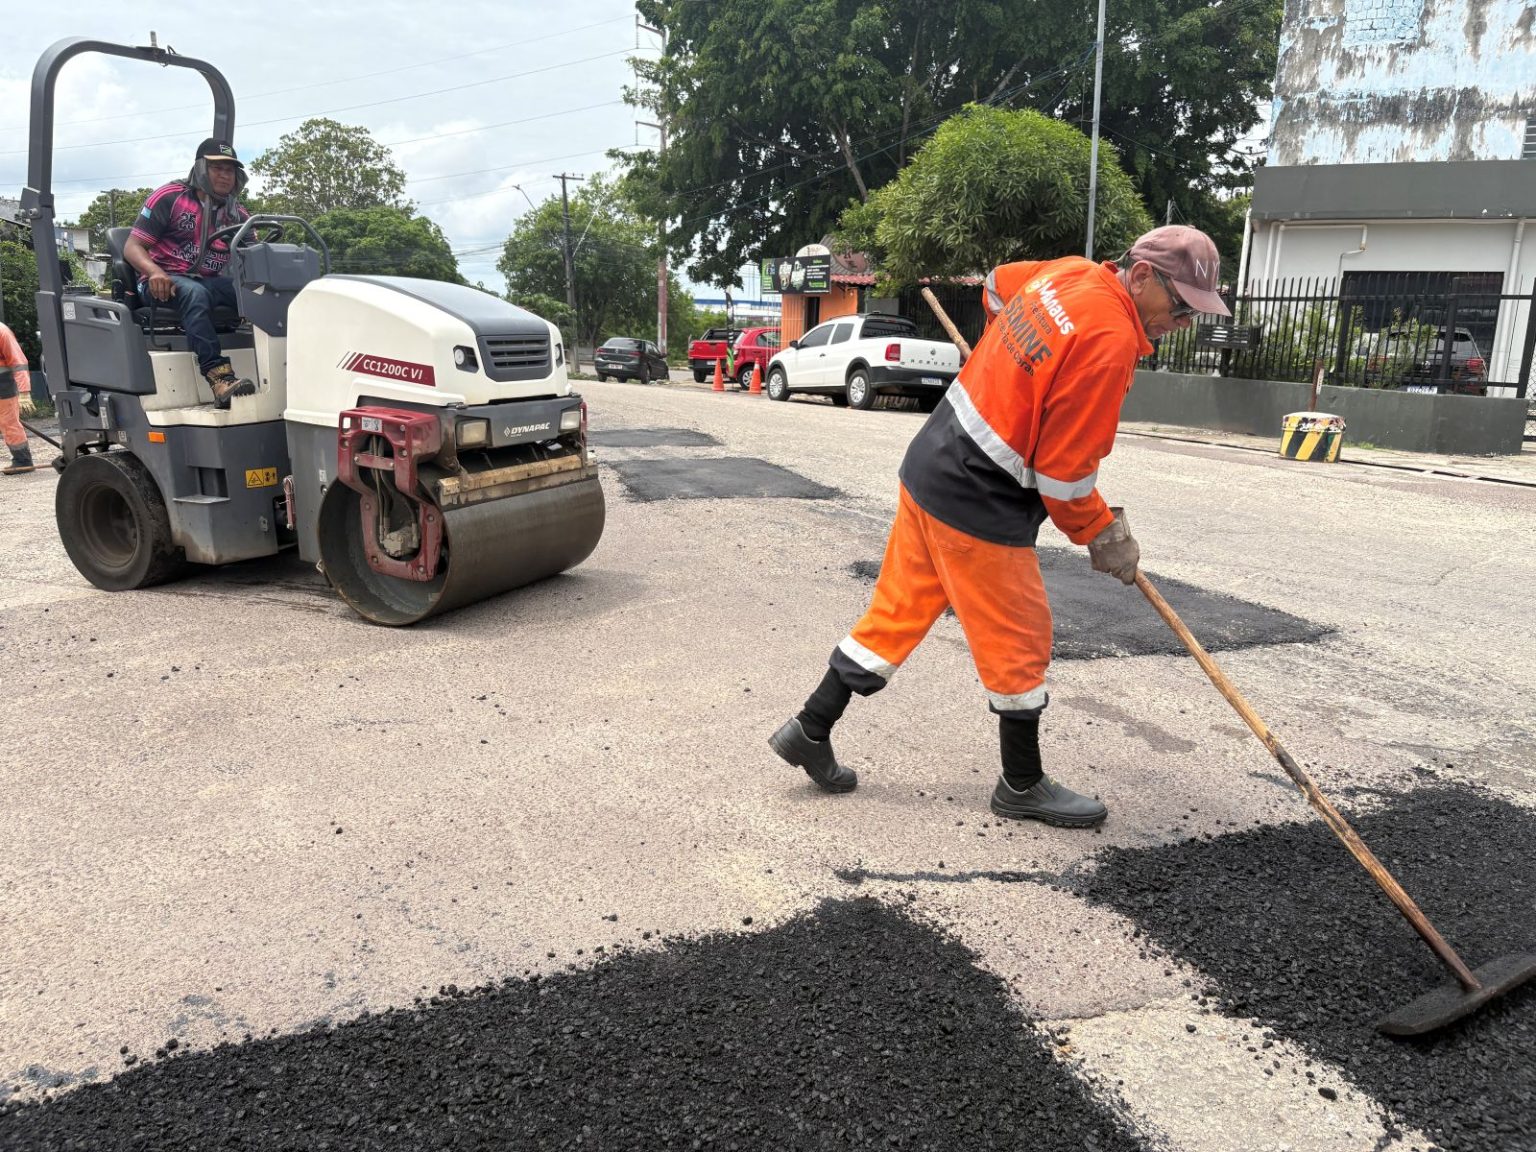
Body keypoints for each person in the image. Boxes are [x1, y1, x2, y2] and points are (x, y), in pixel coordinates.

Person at [768, 225, 1231, 828]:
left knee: (897, 613)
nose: (1183, 322)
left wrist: (1007, 359)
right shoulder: (1111, 338)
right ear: (1141, 276)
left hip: (933, 461)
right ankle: (1021, 783)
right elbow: (1064, 476)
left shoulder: (1070, 272)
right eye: (1180, 306)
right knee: (1020, 638)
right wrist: (1103, 534)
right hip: (978, 496)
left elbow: (996, 285)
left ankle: (810, 728)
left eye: (1195, 313)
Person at [123, 138, 254, 408]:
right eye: (217, 168)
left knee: (257, 294)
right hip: (161, 282)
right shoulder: (170, 198)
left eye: (230, 170)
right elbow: (132, 247)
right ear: (201, 169)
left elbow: (254, 253)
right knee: (194, 293)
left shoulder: (237, 213)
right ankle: (219, 377)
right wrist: (154, 272)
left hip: (208, 282)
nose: (225, 175)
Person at [1, 319, 36, 476]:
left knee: (9, 424)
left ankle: (23, 461)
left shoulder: (2, 332)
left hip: (3, 387)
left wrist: (24, 393)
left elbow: (19, 363)